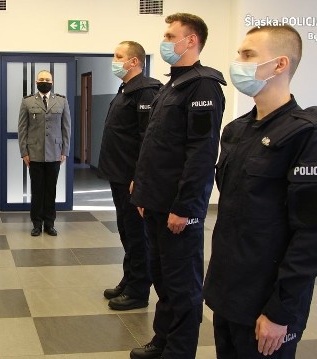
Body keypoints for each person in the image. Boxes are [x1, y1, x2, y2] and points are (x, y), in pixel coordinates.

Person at [203, 25, 317, 358]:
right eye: (239, 53)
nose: (237, 62)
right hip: (229, 293)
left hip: (268, 303)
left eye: (248, 55)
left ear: (280, 65)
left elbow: (314, 235)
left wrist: (281, 311)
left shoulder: (309, 138)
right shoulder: (237, 130)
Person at [129, 13, 226, 359]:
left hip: (178, 208)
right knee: (162, 277)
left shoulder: (203, 86)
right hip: (155, 201)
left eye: (171, 35)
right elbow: (155, 145)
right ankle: (162, 340)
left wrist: (186, 206)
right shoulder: (172, 84)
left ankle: (179, 350)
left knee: (183, 284)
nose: (166, 40)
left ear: (191, 41)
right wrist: (142, 191)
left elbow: (201, 153)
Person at [98, 41, 161, 311]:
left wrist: (140, 175)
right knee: (126, 230)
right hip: (119, 174)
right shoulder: (126, 89)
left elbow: (148, 138)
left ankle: (138, 290)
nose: (114, 60)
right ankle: (130, 278)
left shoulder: (146, 91)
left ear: (134, 61)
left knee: (137, 234)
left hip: (131, 177)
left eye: (118, 56)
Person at [18, 70, 71, 237]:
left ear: (52, 82)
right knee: (37, 189)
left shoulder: (61, 101)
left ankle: (49, 223)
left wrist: (65, 150)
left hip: (55, 153)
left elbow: (66, 128)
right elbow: (22, 129)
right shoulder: (27, 102)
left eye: (47, 79)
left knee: (51, 190)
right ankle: (36, 223)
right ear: (36, 82)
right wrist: (24, 151)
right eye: (41, 79)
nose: (44, 82)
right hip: (34, 153)